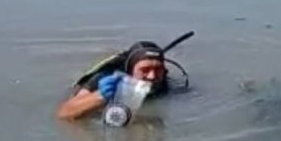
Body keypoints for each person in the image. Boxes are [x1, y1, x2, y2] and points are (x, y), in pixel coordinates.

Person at [57, 32, 193, 121]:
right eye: (145, 70)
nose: (152, 76)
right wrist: (100, 96)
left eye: (158, 69)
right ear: (130, 71)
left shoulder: (164, 81)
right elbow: (64, 113)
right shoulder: (104, 78)